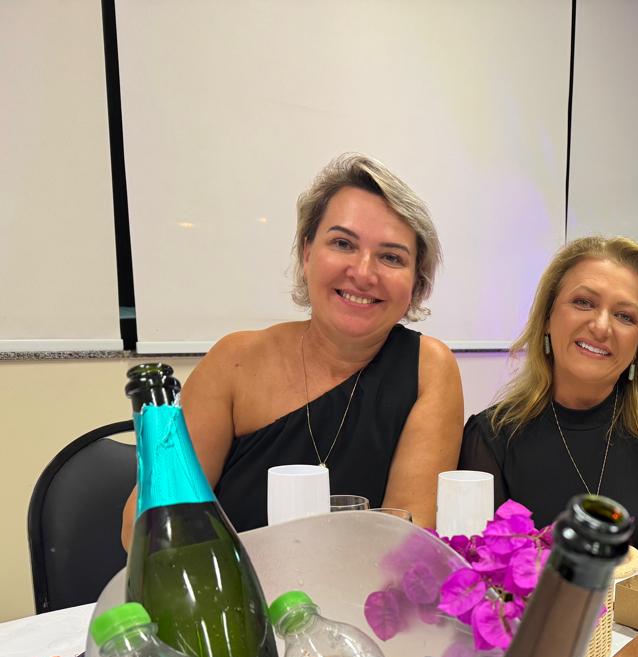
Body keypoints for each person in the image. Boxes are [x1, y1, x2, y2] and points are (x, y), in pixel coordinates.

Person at [121, 153, 463, 541]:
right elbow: (148, 525)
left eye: (390, 257)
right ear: (307, 253)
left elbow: (406, 542)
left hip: (364, 582)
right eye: (343, 243)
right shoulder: (234, 362)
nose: (364, 272)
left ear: (416, 282)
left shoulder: (427, 370)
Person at [459, 236, 638, 559]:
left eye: (625, 316)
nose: (601, 327)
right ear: (547, 317)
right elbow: (482, 571)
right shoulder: (490, 437)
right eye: (583, 302)